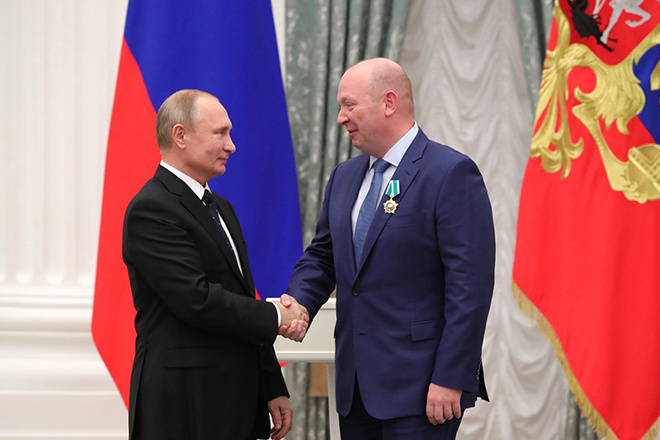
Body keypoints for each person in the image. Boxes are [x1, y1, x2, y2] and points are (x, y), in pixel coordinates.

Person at [282, 58, 495, 439]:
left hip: (423, 389)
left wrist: (451, 376)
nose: (340, 118)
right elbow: (323, 256)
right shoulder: (344, 177)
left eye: (349, 105)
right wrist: (299, 303)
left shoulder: (449, 173)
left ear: (389, 102)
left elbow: (470, 288)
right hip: (356, 388)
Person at [122, 89, 308, 440]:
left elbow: (241, 295)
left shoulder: (221, 207)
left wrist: (271, 383)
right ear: (180, 136)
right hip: (184, 405)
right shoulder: (151, 209)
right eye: (220, 133)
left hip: (235, 402)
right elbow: (196, 300)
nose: (231, 145)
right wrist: (277, 315)